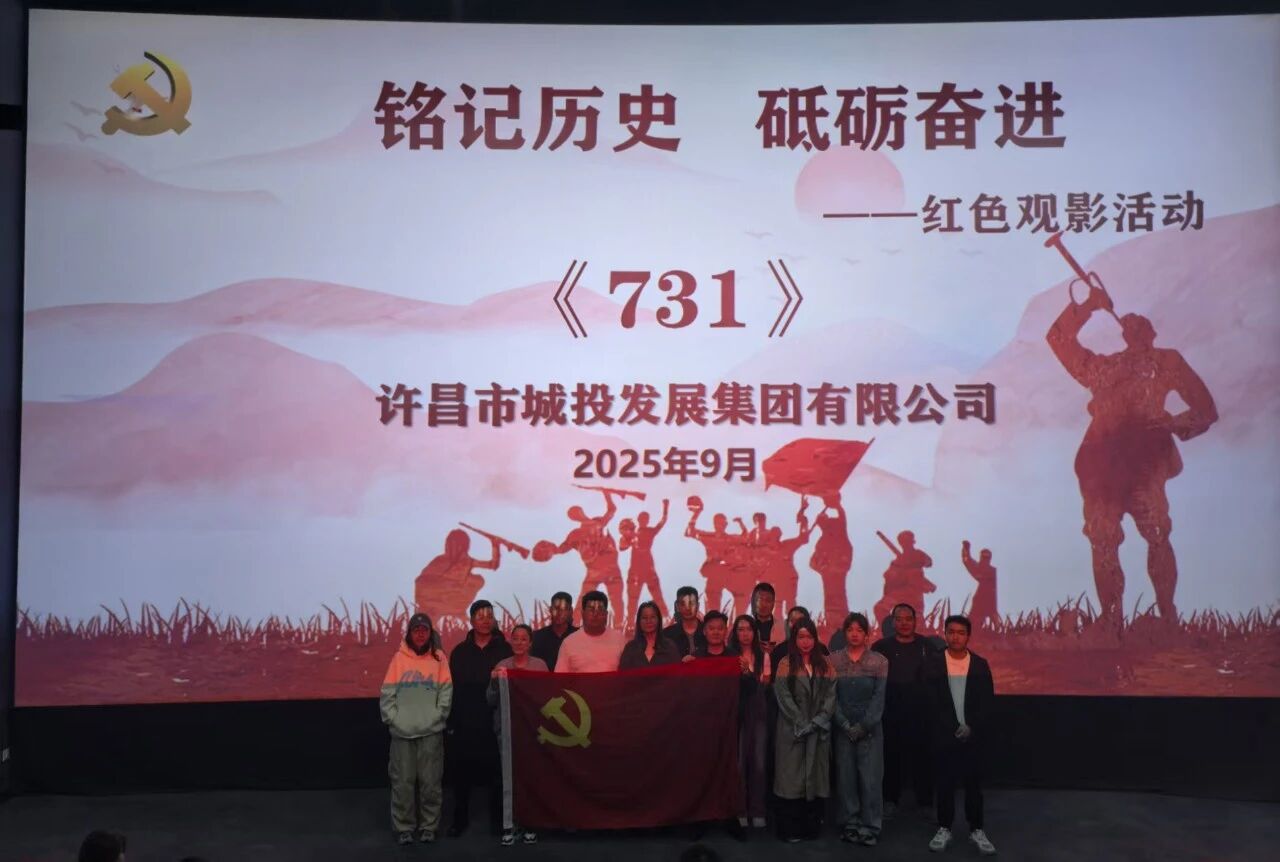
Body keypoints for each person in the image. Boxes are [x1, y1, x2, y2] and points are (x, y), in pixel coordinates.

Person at [1047, 280, 1217, 627]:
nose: (1135, 329)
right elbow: (1059, 339)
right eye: (1131, 326)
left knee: (1156, 533)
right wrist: (1089, 305)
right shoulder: (1104, 368)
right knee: (1102, 538)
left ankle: (1166, 615)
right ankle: (1111, 620)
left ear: (1152, 334)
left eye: (1142, 326)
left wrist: (1173, 423)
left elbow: (1205, 409)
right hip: (1101, 463)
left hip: (1145, 459)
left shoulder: (1167, 361)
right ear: (1124, 334)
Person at [924, 615, 997, 856]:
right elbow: (931, 702)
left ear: (968, 636)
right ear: (945, 634)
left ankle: (976, 829)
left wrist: (971, 726)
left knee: (973, 786)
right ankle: (944, 828)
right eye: (951, 632)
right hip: (944, 735)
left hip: (972, 737)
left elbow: (986, 702)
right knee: (944, 784)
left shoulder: (980, 664)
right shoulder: (933, 663)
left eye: (961, 633)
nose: (955, 637)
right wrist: (953, 726)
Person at [381, 613, 452, 845]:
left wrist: (437, 717)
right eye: (416, 630)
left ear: (430, 633)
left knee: (431, 783)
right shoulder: (398, 659)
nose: (420, 634)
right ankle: (404, 828)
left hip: (431, 732)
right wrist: (393, 720)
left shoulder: (439, 658)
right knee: (402, 783)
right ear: (409, 634)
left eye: (424, 630)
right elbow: (387, 694)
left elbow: (446, 693)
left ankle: (429, 827)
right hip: (402, 733)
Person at [446, 600, 513, 837]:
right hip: (466, 719)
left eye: (489, 616)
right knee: (461, 773)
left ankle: (498, 820)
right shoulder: (460, 652)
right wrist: (452, 721)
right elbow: (453, 688)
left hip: (495, 719)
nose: (485, 620)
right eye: (480, 616)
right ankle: (459, 819)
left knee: (497, 773)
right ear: (471, 620)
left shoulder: (505, 649)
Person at [772, 618, 836, 842]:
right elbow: (783, 696)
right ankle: (789, 829)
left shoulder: (825, 664)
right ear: (794, 639)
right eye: (801, 637)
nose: (805, 642)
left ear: (815, 639)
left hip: (818, 730)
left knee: (815, 780)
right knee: (791, 780)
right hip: (793, 730)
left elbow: (831, 696)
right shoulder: (785, 663)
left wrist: (817, 721)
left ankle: (811, 828)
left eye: (809, 637)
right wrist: (801, 722)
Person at [873, 603, 937, 818]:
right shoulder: (881, 647)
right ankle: (890, 800)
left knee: (923, 759)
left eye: (908, 619)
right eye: (899, 619)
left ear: (915, 621)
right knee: (891, 758)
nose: (904, 623)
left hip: (921, 714)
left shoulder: (927, 646)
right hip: (890, 713)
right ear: (893, 622)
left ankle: (925, 803)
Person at [487, 623, 549, 845]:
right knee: (509, 779)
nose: (519, 642)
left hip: (532, 731)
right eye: (515, 638)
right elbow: (490, 700)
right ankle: (509, 824)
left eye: (524, 639)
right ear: (510, 641)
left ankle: (530, 823)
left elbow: (547, 697)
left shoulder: (539, 666)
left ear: (530, 643)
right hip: (506, 730)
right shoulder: (502, 666)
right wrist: (495, 682)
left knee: (531, 778)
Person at [831, 612, 888, 846]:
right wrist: (844, 724)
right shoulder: (833, 660)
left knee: (870, 779)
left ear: (867, 634)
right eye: (850, 629)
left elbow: (879, 698)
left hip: (870, 729)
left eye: (859, 630)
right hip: (842, 727)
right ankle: (849, 824)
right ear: (845, 633)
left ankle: (870, 825)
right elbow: (830, 697)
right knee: (846, 779)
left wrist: (864, 725)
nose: (854, 634)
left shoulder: (879, 661)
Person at [541, 489, 626, 625]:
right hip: (594, 571)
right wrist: (551, 550)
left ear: (581, 512)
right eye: (573, 514)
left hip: (611, 569)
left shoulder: (597, 523)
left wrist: (607, 494)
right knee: (583, 601)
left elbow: (612, 510)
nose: (577, 515)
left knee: (616, 601)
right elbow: (562, 549)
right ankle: (574, 626)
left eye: (577, 512)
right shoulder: (575, 534)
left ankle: (618, 627)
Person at [730, 614, 772, 830]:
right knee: (738, 764)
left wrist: (748, 672)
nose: (745, 633)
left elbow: (765, 686)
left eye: (748, 629)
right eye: (740, 629)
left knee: (759, 763)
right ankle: (740, 811)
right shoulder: (730, 655)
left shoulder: (763, 655)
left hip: (758, 713)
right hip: (735, 714)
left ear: (754, 632)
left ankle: (757, 810)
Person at [415, 528, 502, 622]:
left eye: (457, 545)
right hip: (435, 603)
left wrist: (495, 545)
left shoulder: (468, 562)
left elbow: (493, 565)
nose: (454, 548)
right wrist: (446, 585)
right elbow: (422, 582)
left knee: (477, 580)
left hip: (455, 602)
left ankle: (457, 612)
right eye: (451, 544)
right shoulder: (440, 561)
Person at [620, 498, 671, 622]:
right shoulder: (632, 533)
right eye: (642, 519)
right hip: (636, 570)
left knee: (657, 595)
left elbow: (662, 521)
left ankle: (667, 618)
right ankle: (630, 622)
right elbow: (622, 547)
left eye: (646, 519)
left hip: (648, 568)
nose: (644, 521)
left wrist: (665, 507)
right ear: (639, 520)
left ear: (647, 520)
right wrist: (627, 537)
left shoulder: (650, 531)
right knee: (633, 597)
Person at [873, 530, 936, 627]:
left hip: (914, 594)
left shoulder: (918, 555)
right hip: (900, 593)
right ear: (901, 543)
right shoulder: (897, 561)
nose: (906, 544)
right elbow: (888, 578)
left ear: (912, 542)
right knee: (880, 608)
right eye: (904, 541)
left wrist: (914, 561)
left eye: (908, 541)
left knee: (917, 621)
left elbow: (929, 562)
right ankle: (888, 629)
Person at [555, 590, 627, 673]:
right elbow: (560, 678)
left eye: (600, 609)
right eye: (591, 609)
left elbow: (628, 676)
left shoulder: (620, 640)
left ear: (606, 614)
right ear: (582, 613)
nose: (595, 614)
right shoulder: (569, 643)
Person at [810, 493, 853, 623]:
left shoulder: (839, 532)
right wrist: (822, 567)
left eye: (824, 522)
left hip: (837, 570)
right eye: (821, 523)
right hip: (828, 572)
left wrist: (835, 503)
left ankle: (841, 620)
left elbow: (842, 515)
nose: (822, 525)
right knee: (830, 596)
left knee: (838, 595)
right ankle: (832, 621)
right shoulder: (822, 541)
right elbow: (813, 562)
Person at [620, 601, 682, 669]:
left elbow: (678, 672)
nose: (648, 621)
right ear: (639, 621)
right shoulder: (630, 647)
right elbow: (623, 673)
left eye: (652, 617)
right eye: (644, 618)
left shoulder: (669, 646)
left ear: (658, 620)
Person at [531, 591, 577, 669]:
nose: (559, 613)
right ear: (550, 609)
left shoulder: (578, 636)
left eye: (564, 609)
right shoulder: (537, 637)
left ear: (570, 611)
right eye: (556, 608)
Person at [961, 541, 999, 631]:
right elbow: (968, 562)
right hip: (981, 600)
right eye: (984, 557)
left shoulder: (991, 571)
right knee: (974, 620)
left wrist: (966, 550)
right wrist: (966, 549)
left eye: (987, 557)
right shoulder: (984, 569)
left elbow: (969, 563)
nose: (985, 559)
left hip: (987, 600)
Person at [662, 585, 707, 657]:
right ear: (677, 606)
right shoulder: (667, 635)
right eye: (683, 604)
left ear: (698, 606)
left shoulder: (708, 632)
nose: (688, 608)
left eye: (691, 603)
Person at [749, 582, 780, 653]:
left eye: (768, 600)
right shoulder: (746, 625)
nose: (763, 604)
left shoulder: (782, 627)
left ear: (773, 603)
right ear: (754, 601)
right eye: (760, 599)